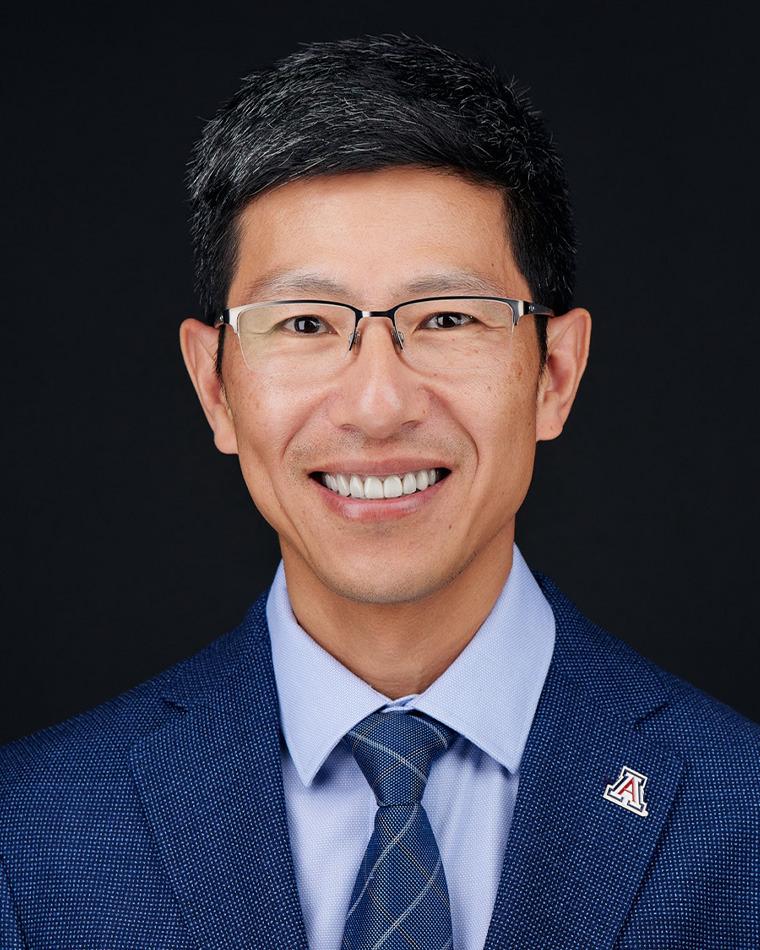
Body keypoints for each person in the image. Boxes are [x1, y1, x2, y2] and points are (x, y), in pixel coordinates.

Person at [1, 33, 758, 950]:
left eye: (446, 318)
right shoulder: (33, 838)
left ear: (555, 372)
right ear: (215, 388)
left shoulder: (739, 812)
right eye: (307, 322)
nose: (377, 404)